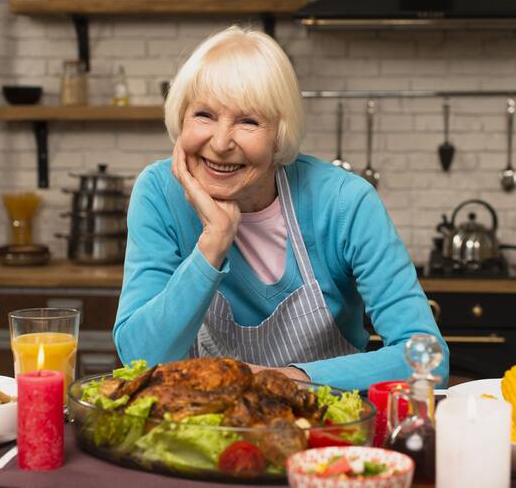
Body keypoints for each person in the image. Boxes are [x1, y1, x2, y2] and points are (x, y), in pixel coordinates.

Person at [113, 26, 449, 390]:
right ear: (181, 119)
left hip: (326, 431)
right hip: (203, 430)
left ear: (280, 135)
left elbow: (428, 358)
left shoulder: (344, 202)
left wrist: (288, 380)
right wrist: (214, 241)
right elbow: (140, 359)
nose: (221, 142)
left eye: (248, 121)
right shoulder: (159, 194)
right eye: (204, 115)